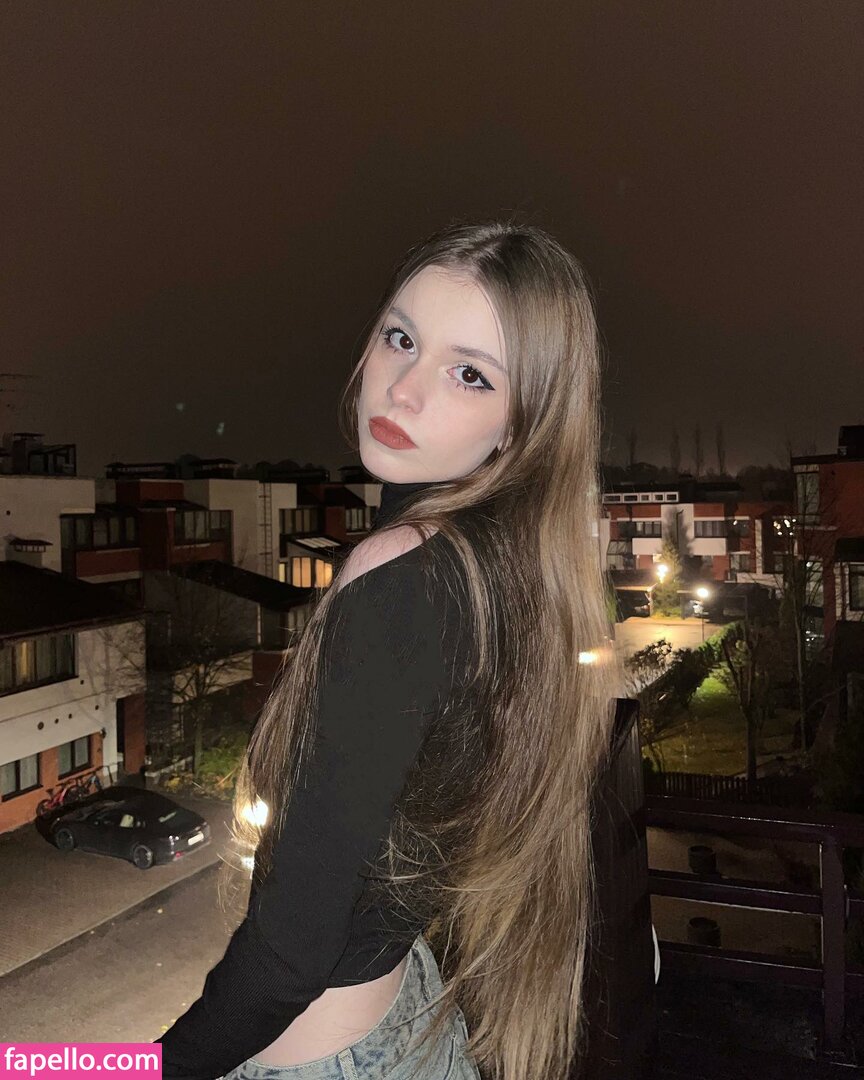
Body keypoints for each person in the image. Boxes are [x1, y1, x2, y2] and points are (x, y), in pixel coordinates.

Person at [157, 219, 627, 1080]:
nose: (402, 390)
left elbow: (286, 959)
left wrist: (128, 1070)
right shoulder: (502, 567)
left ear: (523, 425)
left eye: (469, 373)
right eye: (401, 338)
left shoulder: (401, 574)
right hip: (403, 1018)